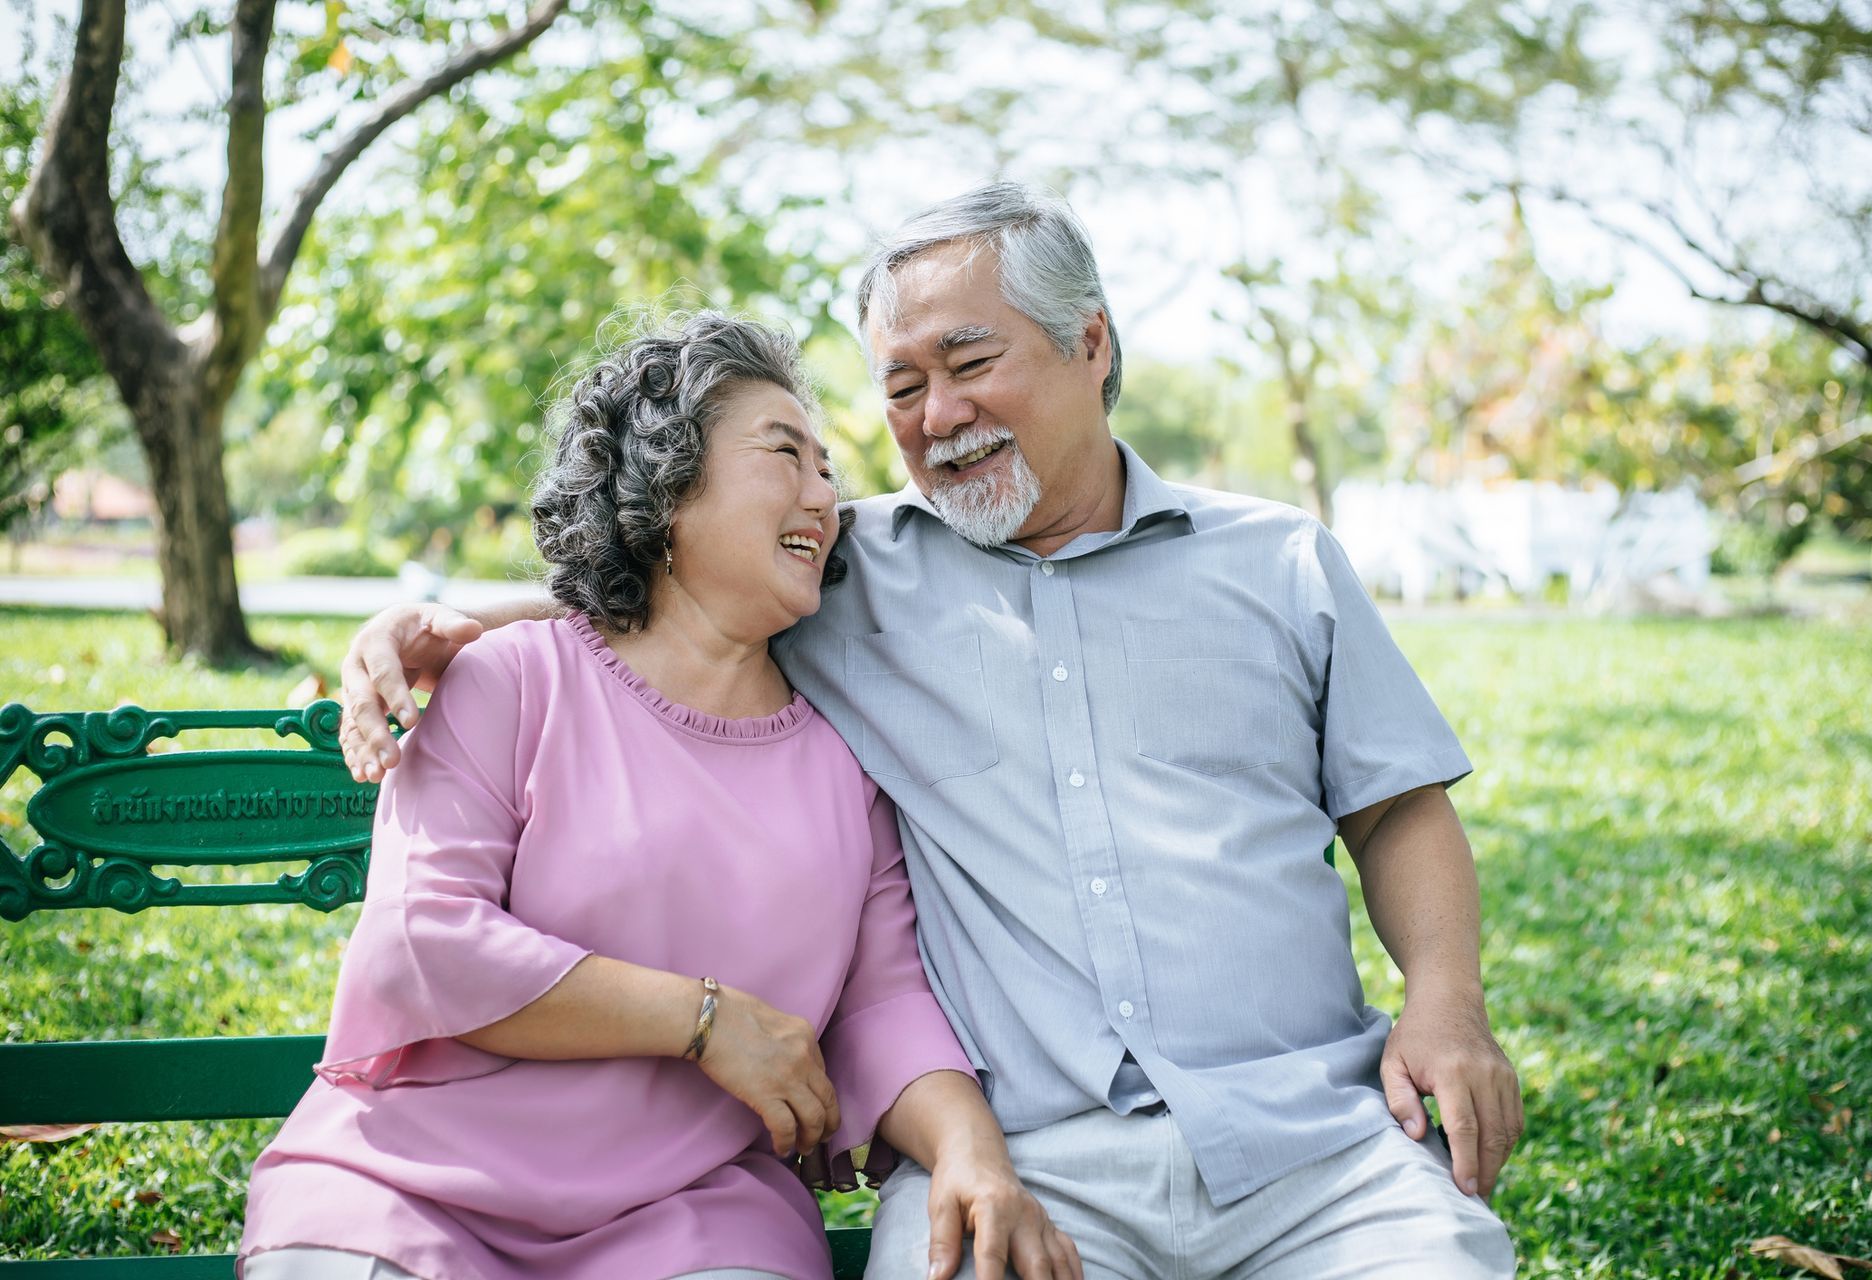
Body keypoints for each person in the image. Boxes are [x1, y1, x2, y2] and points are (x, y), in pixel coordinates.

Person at [340, 185, 1524, 1278]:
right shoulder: (859, 571)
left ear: (1091, 343)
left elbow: (1396, 805)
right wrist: (432, 617)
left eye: (970, 361)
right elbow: (679, 572)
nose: (939, 415)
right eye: (901, 388)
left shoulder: (1280, 560)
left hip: (1314, 1142)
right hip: (1028, 1153)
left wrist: (1446, 1000)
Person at [242, 313, 1082, 1280]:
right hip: (410, 1183)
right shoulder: (512, 680)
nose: (825, 496)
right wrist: (705, 1022)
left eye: (828, 470)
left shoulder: (847, 769)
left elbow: (883, 1005)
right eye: (786, 455)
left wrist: (974, 1155)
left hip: (695, 1211)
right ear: (669, 484)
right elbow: (419, 944)